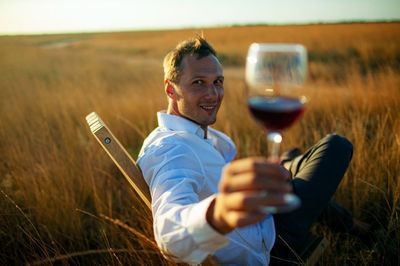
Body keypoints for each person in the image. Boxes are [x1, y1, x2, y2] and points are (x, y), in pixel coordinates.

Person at [137, 36, 367, 265]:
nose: (213, 94)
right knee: (335, 146)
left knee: (290, 158)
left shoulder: (185, 135)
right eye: (198, 82)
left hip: (263, 215)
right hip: (272, 245)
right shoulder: (170, 150)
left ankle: (297, 174)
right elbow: (170, 235)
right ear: (170, 89)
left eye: (218, 82)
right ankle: (353, 227)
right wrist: (221, 212)